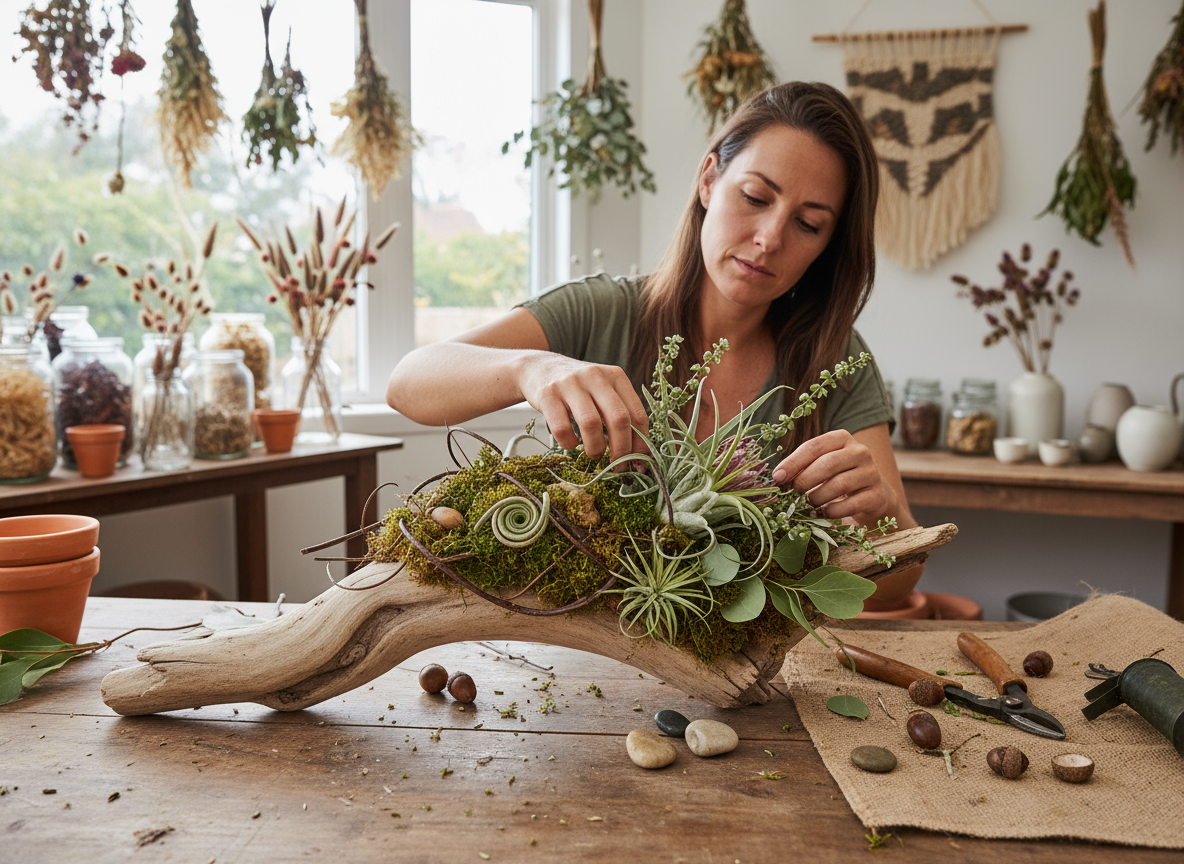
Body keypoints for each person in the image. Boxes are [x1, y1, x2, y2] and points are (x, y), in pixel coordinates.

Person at [387, 81, 922, 603]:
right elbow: (409, 383)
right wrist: (531, 369)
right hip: (583, 651)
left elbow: (898, 586)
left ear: (828, 245)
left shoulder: (836, 358)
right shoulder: (602, 312)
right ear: (709, 180)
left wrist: (882, 517)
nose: (770, 238)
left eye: (808, 224)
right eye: (755, 196)